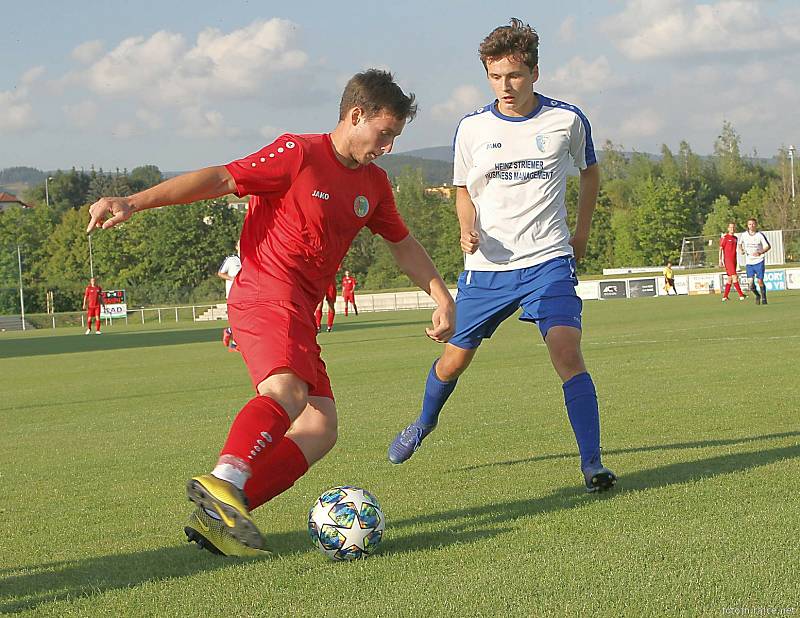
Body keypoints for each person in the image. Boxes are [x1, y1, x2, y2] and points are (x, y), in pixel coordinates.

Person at [87, 69, 455, 557]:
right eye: (384, 134)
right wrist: (134, 200)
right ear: (355, 115)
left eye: (395, 138)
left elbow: (401, 243)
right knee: (285, 391)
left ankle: (222, 516)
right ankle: (224, 479)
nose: (387, 146)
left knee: (319, 427)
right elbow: (221, 178)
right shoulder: (298, 154)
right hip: (265, 291)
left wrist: (440, 294)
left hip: (300, 309)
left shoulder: (375, 184)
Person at [387, 18, 616, 494]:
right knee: (452, 363)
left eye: (513, 75)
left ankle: (592, 464)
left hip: (548, 261)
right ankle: (424, 423)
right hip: (488, 269)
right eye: (495, 76)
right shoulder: (472, 128)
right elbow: (462, 192)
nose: (505, 86)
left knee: (567, 352)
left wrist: (581, 234)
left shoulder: (567, 120)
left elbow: (590, 173)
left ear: (534, 71)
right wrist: (465, 227)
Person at [738, 218, 771, 305]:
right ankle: (757, 295)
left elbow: (768, 246)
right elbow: (739, 243)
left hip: (759, 261)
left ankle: (764, 298)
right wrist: (741, 250)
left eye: (753, 224)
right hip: (749, 262)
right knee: (750, 283)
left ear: (756, 225)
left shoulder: (759, 235)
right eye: (749, 224)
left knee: (760, 281)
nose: (751, 226)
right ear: (747, 225)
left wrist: (760, 252)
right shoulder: (744, 235)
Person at [218, 241, 242, 350]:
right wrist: (232, 278)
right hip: (232, 295)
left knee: (244, 319)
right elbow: (220, 273)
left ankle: (233, 338)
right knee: (237, 319)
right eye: (240, 244)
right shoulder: (231, 259)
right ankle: (233, 340)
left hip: (246, 294)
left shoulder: (251, 258)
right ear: (236, 247)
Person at [718, 222, 746, 301]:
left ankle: (725, 296)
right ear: (728, 228)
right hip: (728, 260)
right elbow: (720, 249)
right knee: (734, 276)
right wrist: (720, 260)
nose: (732, 229)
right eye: (730, 227)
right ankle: (741, 295)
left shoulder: (735, 238)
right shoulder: (725, 238)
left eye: (733, 227)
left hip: (734, 259)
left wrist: (741, 250)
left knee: (730, 278)